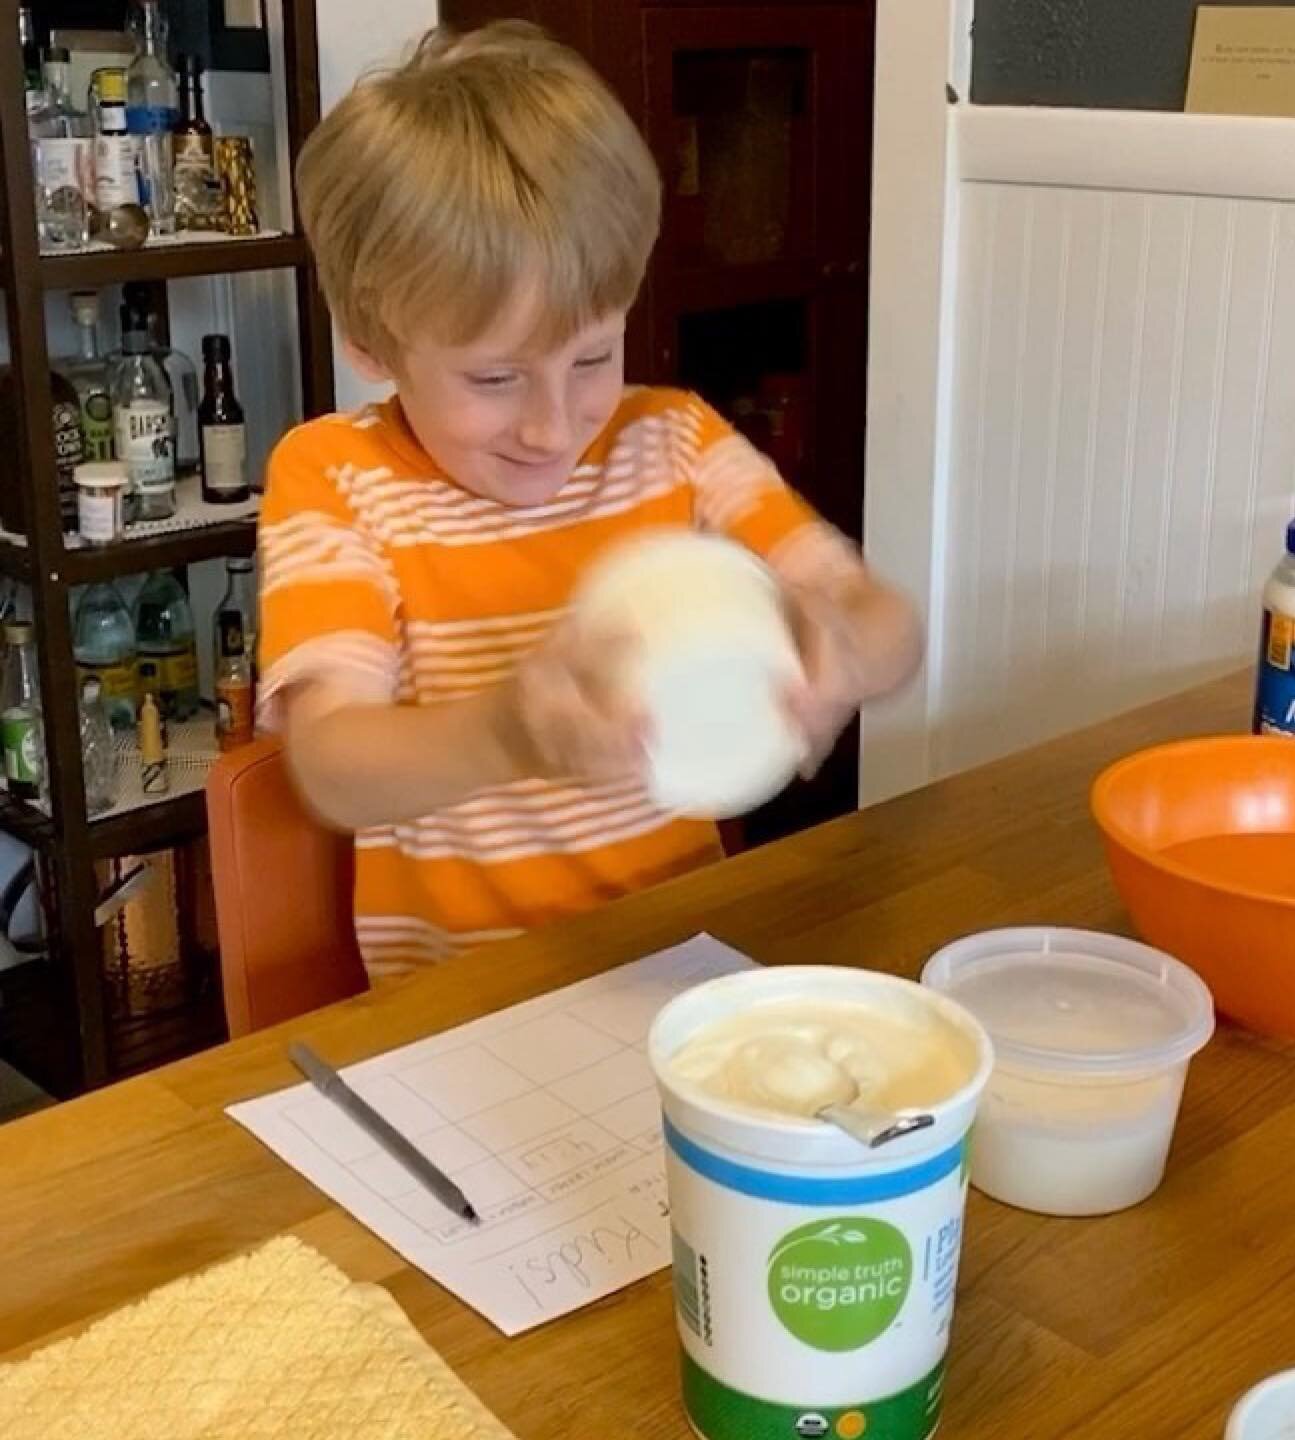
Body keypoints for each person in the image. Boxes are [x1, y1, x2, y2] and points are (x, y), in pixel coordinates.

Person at [259, 22, 922, 978]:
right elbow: (331, 765)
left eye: (593, 357)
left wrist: (849, 647)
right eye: (494, 380)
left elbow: (884, 618)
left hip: (680, 967)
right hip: (460, 1004)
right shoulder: (338, 479)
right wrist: (506, 731)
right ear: (371, 343)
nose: (554, 424)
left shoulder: (675, 443)